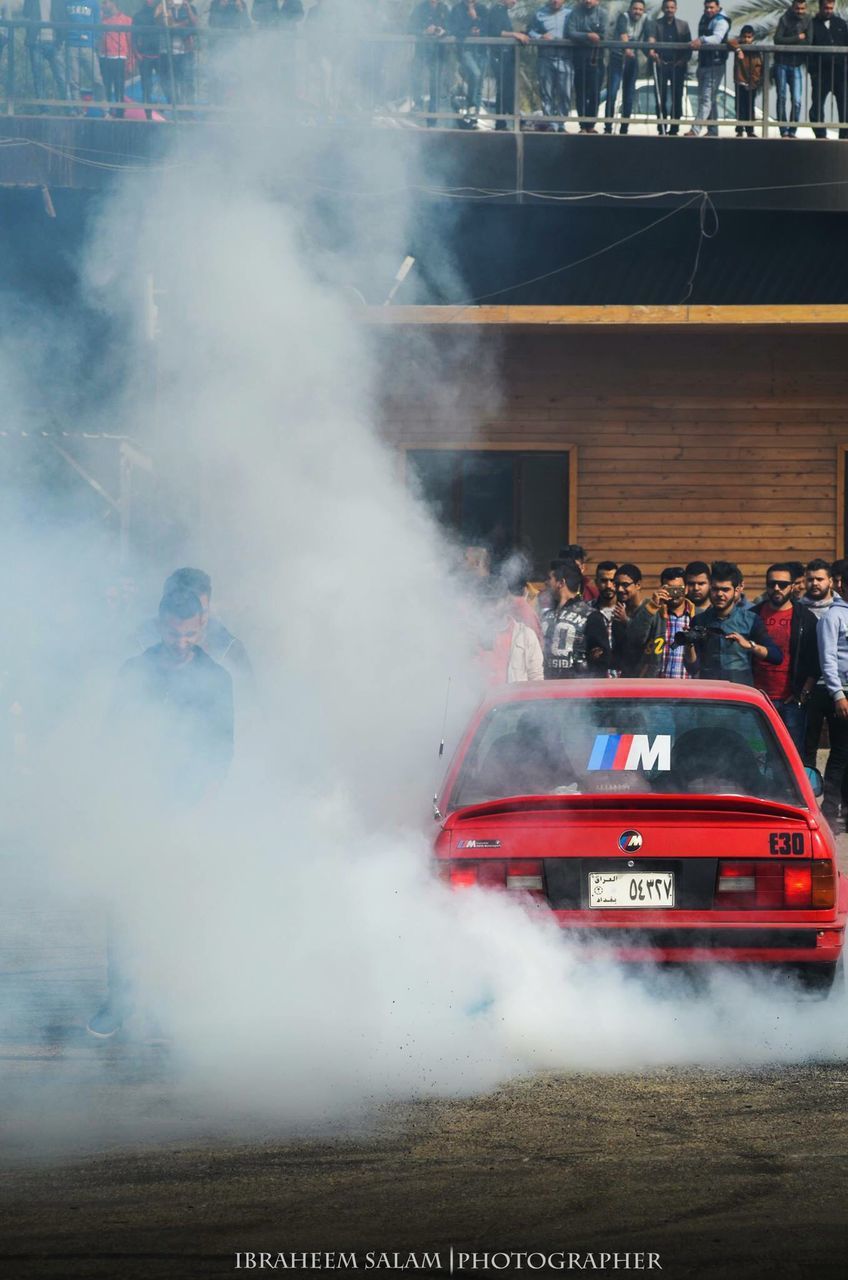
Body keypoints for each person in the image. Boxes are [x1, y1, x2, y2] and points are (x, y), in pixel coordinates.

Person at [87, 588, 234, 1039]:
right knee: (126, 910)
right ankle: (120, 1003)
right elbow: (113, 740)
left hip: (191, 813)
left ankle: (173, 1011)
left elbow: (223, 751)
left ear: (201, 627)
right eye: (173, 633)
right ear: (159, 625)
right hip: (138, 809)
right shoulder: (134, 671)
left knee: (179, 911)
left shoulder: (217, 678)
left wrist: (199, 811)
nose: (181, 642)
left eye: (190, 634)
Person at [135, 567, 253, 683]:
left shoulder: (230, 651)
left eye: (202, 612)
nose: (198, 621)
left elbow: (249, 697)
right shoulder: (138, 646)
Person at [750, 563, 819, 754]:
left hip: (791, 700)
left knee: (790, 755)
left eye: (782, 584)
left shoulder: (806, 618)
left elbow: (815, 659)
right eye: (772, 584)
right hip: (757, 698)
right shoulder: (752, 615)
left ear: (792, 586)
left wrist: (803, 694)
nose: (776, 588)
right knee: (756, 754)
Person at [682, 561, 781, 684]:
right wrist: (688, 645)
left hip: (740, 692)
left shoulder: (751, 620)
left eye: (725, 590)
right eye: (715, 589)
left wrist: (750, 645)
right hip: (709, 690)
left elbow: (776, 656)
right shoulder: (699, 620)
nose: (719, 594)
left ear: (737, 590)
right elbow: (692, 668)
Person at [814, 574, 848, 828]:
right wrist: (838, 694)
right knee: (840, 754)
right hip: (841, 693)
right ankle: (829, 812)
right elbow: (828, 659)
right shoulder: (832, 616)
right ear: (842, 586)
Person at [628, 566, 696, 678]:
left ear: (687, 589)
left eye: (678, 588)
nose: (674, 593)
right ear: (661, 589)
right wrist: (653, 606)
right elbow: (634, 639)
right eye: (669, 589)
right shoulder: (651, 612)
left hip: (688, 686)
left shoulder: (697, 615)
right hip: (656, 685)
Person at [478, 578, 544, 683]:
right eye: (485, 603)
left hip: (515, 699)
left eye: (495, 602)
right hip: (481, 699)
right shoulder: (474, 637)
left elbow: (536, 679)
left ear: (506, 601)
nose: (490, 608)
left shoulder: (525, 635)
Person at [542, 560, 594, 678]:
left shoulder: (591, 615)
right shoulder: (546, 615)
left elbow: (600, 661)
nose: (545, 583)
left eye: (549, 579)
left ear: (561, 583)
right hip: (546, 688)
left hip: (577, 690)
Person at [686, 0, 730, 137]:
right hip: (704, 63)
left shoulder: (721, 21)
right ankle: (712, 130)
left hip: (715, 65)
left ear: (718, 7)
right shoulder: (705, 18)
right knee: (709, 99)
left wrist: (701, 39)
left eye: (711, 7)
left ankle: (695, 129)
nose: (709, 10)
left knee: (706, 98)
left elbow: (717, 38)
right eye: (706, 7)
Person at [604, 0, 648, 136]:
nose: (637, 12)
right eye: (635, 9)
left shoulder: (646, 19)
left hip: (632, 60)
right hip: (618, 58)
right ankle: (608, 127)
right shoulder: (623, 16)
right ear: (630, 9)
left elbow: (649, 35)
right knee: (612, 92)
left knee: (628, 95)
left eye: (640, 10)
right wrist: (627, 48)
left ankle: (624, 128)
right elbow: (623, 34)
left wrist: (651, 51)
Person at [527, 0, 571, 131]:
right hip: (545, 58)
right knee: (546, 94)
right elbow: (529, 31)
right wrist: (540, 36)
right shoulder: (539, 14)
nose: (555, 1)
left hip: (565, 59)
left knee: (565, 94)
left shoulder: (570, 14)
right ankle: (551, 124)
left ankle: (561, 124)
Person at [647, 0, 690, 135]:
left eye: (672, 7)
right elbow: (651, 40)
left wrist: (683, 61)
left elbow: (689, 47)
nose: (669, 10)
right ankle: (662, 128)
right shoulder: (655, 24)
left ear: (676, 8)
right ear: (663, 9)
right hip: (661, 65)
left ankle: (674, 128)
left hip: (677, 66)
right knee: (661, 97)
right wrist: (653, 52)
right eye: (667, 7)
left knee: (677, 98)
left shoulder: (683, 25)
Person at [566, 0, 608, 134]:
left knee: (595, 93)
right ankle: (582, 125)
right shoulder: (575, 13)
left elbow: (603, 34)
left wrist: (582, 36)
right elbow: (571, 33)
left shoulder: (602, 14)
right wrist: (588, 35)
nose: (588, 1)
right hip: (579, 59)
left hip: (596, 59)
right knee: (581, 93)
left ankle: (591, 125)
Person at [810, 0, 848, 139]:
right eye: (826, 8)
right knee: (817, 105)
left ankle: (844, 136)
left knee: (845, 106)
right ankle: (821, 135)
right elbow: (808, 47)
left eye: (831, 8)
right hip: (821, 72)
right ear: (820, 7)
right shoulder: (812, 24)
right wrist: (813, 71)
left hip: (841, 73)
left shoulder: (841, 24)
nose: (828, 10)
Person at [487, 0, 528, 129]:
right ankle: (501, 121)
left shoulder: (503, 11)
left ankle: (505, 119)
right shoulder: (496, 10)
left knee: (507, 88)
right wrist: (515, 34)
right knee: (503, 89)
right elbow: (496, 32)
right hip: (499, 55)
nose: (514, 2)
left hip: (506, 55)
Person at [774, 0, 812, 137]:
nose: (800, 12)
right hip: (781, 63)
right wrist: (797, 37)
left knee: (796, 100)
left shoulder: (808, 20)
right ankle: (783, 130)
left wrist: (791, 40)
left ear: (805, 8)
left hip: (796, 65)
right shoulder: (785, 18)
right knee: (782, 97)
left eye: (802, 9)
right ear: (793, 7)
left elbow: (809, 41)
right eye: (797, 9)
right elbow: (777, 39)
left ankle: (792, 130)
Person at [449, 0, 489, 127]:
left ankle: (473, 119)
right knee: (475, 74)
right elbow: (454, 29)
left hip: (482, 50)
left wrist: (476, 19)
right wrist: (469, 30)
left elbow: (488, 28)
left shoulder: (483, 8)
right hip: (466, 50)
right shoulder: (457, 10)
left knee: (479, 85)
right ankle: (471, 106)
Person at [409, 0, 449, 121]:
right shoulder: (419, 8)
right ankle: (418, 104)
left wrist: (443, 32)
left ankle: (433, 115)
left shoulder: (445, 9)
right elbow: (410, 28)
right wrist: (424, 31)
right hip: (421, 51)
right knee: (416, 76)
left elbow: (452, 27)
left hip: (438, 52)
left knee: (435, 83)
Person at [23, 0, 69, 105]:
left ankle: (69, 107)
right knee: (38, 77)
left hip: (54, 42)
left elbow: (64, 17)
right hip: (36, 42)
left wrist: (61, 40)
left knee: (61, 76)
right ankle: (43, 108)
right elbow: (25, 12)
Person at [65, 0, 104, 102]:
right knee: (74, 82)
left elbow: (97, 23)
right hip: (71, 44)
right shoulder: (67, 2)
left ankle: (104, 110)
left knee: (97, 79)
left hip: (88, 45)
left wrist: (94, 40)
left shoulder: (93, 3)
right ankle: (78, 110)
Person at [610, 562, 644, 676]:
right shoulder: (619, 610)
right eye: (617, 584)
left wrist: (627, 622)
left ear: (638, 585)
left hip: (644, 676)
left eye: (625, 585)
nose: (619, 589)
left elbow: (645, 640)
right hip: (623, 675)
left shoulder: (649, 610)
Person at [132, 0, 165, 117]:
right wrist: (136, 53)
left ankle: (163, 107)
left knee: (165, 82)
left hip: (160, 55)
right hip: (144, 56)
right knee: (146, 86)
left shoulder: (161, 14)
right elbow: (133, 37)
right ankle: (148, 114)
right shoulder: (138, 16)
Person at [99, 0, 132, 116]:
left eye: (105, 2)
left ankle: (120, 113)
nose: (103, 5)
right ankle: (108, 112)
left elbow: (130, 41)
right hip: (104, 57)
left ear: (114, 3)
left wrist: (130, 61)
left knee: (119, 88)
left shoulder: (126, 20)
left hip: (120, 57)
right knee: (106, 87)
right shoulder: (102, 19)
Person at [732, 25, 763, 137]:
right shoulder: (737, 46)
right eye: (744, 37)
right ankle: (739, 129)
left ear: (753, 37)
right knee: (739, 106)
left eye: (749, 37)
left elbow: (759, 66)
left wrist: (754, 80)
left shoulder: (755, 50)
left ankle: (750, 130)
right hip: (740, 81)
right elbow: (730, 41)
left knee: (750, 106)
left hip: (751, 83)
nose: (746, 39)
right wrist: (738, 49)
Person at [587, 560, 617, 674]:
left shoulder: (628, 610)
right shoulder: (586, 610)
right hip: (595, 678)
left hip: (623, 678)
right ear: (596, 582)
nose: (608, 585)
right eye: (604, 581)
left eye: (612, 581)